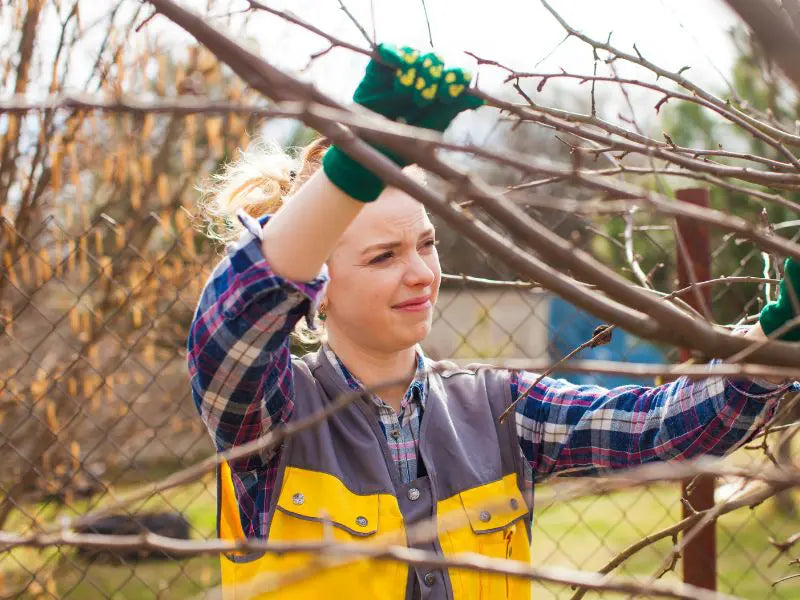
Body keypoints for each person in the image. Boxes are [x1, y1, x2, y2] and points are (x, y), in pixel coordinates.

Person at [187, 43, 800, 600]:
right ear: (319, 286)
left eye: (426, 245)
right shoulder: (274, 420)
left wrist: (777, 340)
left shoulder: (500, 408)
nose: (422, 273)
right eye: (384, 256)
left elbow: (658, 429)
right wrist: (353, 164)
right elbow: (232, 324)